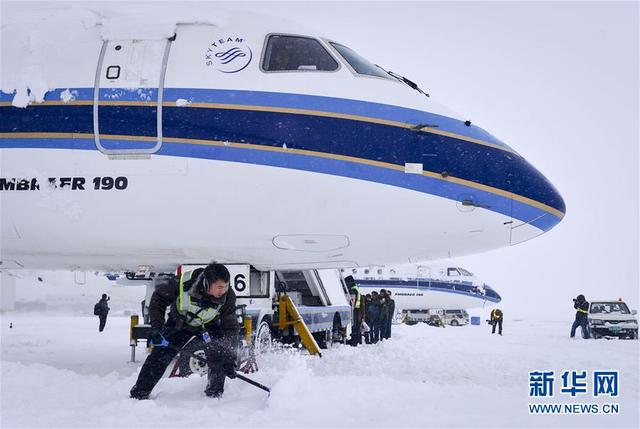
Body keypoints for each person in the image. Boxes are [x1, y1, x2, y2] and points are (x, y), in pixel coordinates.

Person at [130, 263, 238, 400]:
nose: (223, 291)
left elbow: (230, 328)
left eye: (226, 286)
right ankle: (139, 393)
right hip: (180, 323)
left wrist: (229, 360)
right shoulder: (183, 283)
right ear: (206, 283)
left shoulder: (228, 296)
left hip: (208, 325)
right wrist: (157, 327)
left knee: (218, 354)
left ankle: (214, 394)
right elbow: (158, 299)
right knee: (160, 354)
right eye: (220, 287)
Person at [345, 276, 364, 346]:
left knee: (354, 326)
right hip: (357, 309)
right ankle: (358, 340)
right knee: (357, 326)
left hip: (355, 310)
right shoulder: (356, 288)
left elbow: (353, 300)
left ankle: (354, 341)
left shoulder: (353, 289)